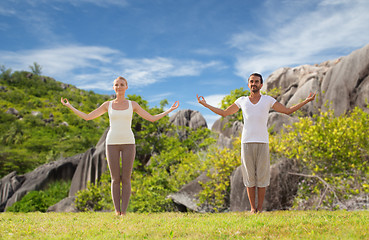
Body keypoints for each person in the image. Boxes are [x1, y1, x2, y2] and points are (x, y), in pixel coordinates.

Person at [197, 73, 315, 214]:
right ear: (248, 84)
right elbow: (224, 113)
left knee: (262, 176)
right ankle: (253, 209)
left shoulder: (267, 100)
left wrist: (306, 101)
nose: (254, 84)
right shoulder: (242, 101)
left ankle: (260, 208)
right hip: (246, 142)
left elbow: (287, 111)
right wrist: (205, 104)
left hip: (263, 142)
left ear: (261, 84)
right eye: (251, 82)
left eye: (256, 82)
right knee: (249, 176)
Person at [61, 76, 179, 216]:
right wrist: (69, 106)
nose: (119, 87)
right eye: (116, 85)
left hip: (129, 142)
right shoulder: (108, 105)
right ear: (113, 88)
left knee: (126, 178)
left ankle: (124, 212)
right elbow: (88, 117)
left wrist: (170, 110)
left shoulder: (132, 104)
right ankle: (117, 211)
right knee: (115, 179)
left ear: (126, 87)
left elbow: (151, 118)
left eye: (122, 84)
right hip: (111, 143)